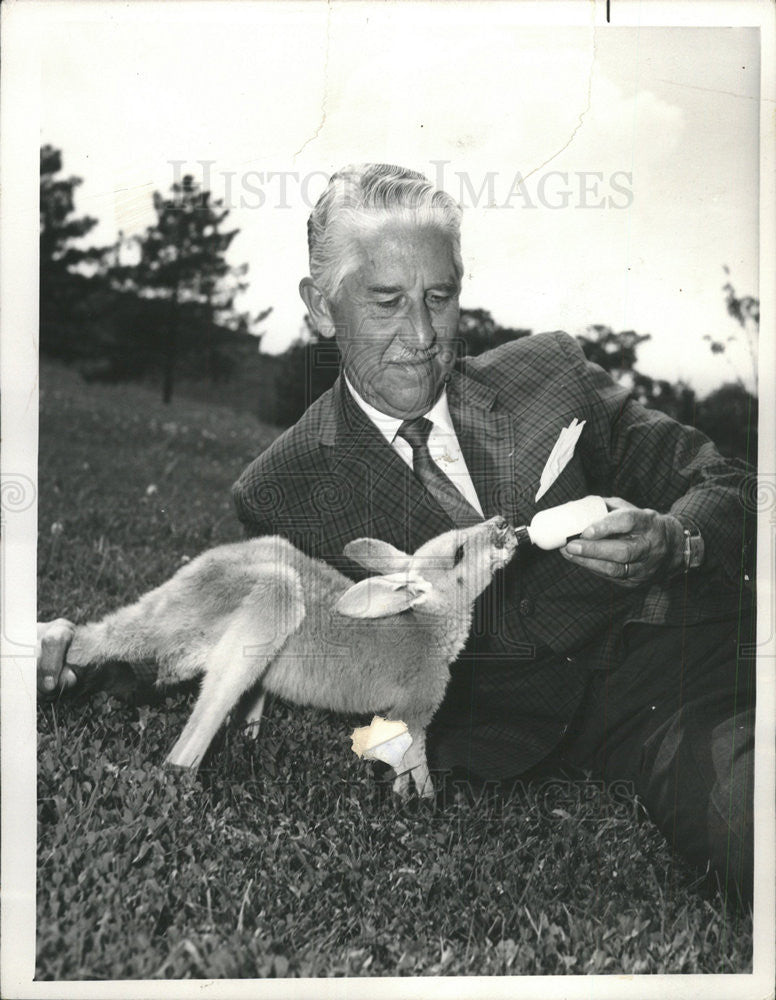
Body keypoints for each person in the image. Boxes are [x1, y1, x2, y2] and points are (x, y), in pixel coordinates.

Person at [38, 163, 756, 906]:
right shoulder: (281, 489)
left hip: (705, 652)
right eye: (386, 303)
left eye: (438, 298)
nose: (421, 336)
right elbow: (225, 637)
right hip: (651, 731)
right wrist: (79, 656)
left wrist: (679, 540)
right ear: (321, 309)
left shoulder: (552, 373)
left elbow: (733, 484)